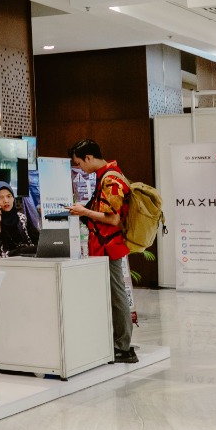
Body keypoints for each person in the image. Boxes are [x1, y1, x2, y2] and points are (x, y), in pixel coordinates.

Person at [67, 139, 136, 364]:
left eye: (79, 163)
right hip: (103, 245)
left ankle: (122, 346)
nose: (80, 168)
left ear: (88, 157)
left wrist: (84, 212)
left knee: (116, 296)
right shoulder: (106, 176)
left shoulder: (110, 179)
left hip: (109, 246)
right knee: (112, 295)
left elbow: (113, 219)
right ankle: (116, 343)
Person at [0, 182, 34, 256]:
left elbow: (38, 241)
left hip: (26, 259)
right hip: (2, 262)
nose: (6, 201)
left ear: (13, 198)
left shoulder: (22, 218)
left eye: (9, 196)